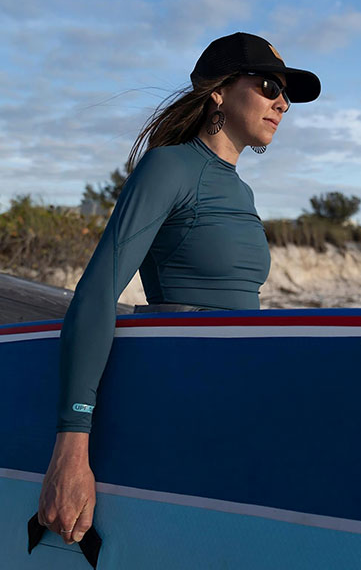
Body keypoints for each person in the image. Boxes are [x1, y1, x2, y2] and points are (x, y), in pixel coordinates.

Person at [37, 32, 321, 545]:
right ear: (219, 92)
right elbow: (98, 292)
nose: (282, 102)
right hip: (186, 395)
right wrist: (71, 445)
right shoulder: (169, 166)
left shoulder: (240, 189)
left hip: (237, 397)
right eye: (268, 85)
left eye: (285, 94)